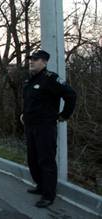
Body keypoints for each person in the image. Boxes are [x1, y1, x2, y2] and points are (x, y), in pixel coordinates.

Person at [20, 50, 76, 208]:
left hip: (45, 127)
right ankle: (41, 186)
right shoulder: (30, 80)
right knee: (33, 159)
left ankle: (48, 195)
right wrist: (24, 114)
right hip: (30, 127)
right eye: (31, 59)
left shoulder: (50, 79)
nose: (31, 61)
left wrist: (64, 115)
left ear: (44, 62)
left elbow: (71, 95)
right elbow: (31, 102)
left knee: (46, 160)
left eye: (35, 59)